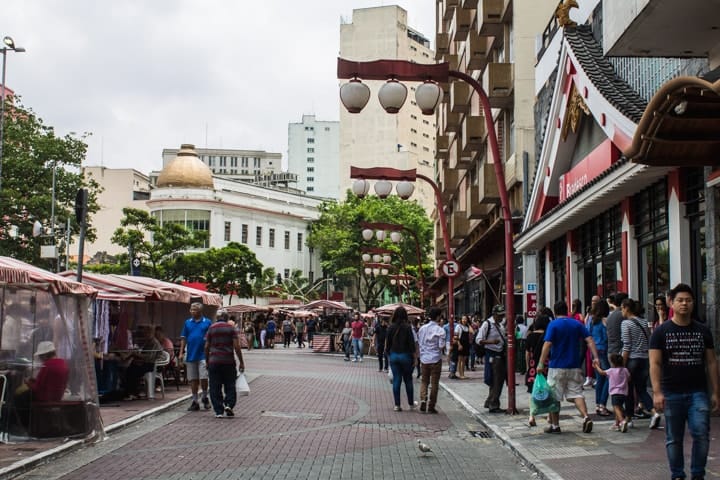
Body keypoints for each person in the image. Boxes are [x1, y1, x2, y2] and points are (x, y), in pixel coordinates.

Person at [650, 283, 719, 480]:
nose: (684, 304)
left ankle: (698, 474)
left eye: (688, 300)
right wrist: (657, 392)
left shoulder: (703, 331)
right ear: (671, 303)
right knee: (674, 438)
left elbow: (712, 362)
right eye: (680, 300)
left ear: (693, 303)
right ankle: (678, 474)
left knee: (701, 435)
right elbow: (654, 364)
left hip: (698, 392)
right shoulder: (660, 332)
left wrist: (715, 391)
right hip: (671, 392)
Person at [537, 300, 600, 434]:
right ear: (566, 310)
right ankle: (586, 417)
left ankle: (555, 425)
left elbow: (547, 344)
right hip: (574, 365)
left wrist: (541, 363)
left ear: (555, 311)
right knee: (577, 393)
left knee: (554, 397)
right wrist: (596, 357)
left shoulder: (553, 325)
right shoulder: (576, 324)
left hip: (556, 366)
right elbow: (589, 340)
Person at [620, 297, 661, 428]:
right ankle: (654, 412)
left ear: (626, 308)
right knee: (641, 389)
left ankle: (628, 418)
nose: (621, 311)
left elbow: (626, 346)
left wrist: (622, 364)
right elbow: (649, 339)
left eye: (622, 308)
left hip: (632, 360)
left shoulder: (625, 324)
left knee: (628, 390)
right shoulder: (643, 322)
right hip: (645, 359)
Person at [14, 341, 70, 428]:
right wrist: (33, 380)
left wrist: (27, 382)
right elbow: (49, 382)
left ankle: (25, 425)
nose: (40, 358)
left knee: (19, 397)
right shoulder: (63, 363)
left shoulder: (47, 365)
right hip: (57, 396)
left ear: (45, 355)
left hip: (44, 397)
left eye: (40, 356)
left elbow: (37, 388)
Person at [204, 310, 245, 418]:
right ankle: (229, 405)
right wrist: (241, 362)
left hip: (214, 361)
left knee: (214, 386)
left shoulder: (211, 328)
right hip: (228, 361)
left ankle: (218, 411)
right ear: (227, 318)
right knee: (230, 385)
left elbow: (206, 346)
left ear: (217, 318)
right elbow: (237, 347)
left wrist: (207, 360)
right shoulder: (231, 329)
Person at [179, 302, 212, 411]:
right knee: (193, 379)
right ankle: (194, 400)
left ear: (200, 311)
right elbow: (184, 338)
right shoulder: (187, 322)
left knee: (203, 377)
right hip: (191, 353)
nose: (192, 311)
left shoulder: (207, 322)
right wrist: (181, 352)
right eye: (191, 309)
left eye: (195, 310)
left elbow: (211, 338)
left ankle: (205, 396)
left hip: (203, 354)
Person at [385, 306, 418, 411]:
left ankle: (397, 405)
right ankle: (411, 403)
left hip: (394, 355)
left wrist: (389, 355)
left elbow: (388, 344)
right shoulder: (408, 327)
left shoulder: (390, 327)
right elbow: (411, 344)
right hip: (406, 356)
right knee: (408, 379)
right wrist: (415, 358)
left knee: (397, 380)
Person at [476, 305, 507, 413]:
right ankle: (493, 404)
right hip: (492, 355)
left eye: (502, 315)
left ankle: (490, 400)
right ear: (494, 315)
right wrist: (492, 342)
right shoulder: (487, 324)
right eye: (500, 315)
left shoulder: (501, 325)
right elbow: (478, 340)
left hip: (500, 353)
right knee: (495, 379)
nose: (502, 317)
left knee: (498, 379)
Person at [123, 325, 163, 400]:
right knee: (130, 368)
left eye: (146, 333)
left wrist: (137, 354)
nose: (144, 334)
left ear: (150, 333)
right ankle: (132, 392)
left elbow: (149, 357)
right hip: (145, 363)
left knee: (132, 371)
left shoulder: (154, 342)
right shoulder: (148, 341)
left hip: (149, 365)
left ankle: (132, 393)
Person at [417, 307, 444, 414]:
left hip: (424, 359)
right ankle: (431, 406)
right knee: (434, 383)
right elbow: (441, 346)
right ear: (437, 317)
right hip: (436, 358)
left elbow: (420, 343)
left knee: (424, 381)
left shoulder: (422, 328)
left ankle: (423, 399)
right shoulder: (440, 330)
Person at [594, 353, 631, 432]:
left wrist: (596, 366)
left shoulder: (611, 371)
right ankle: (617, 424)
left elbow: (601, 372)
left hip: (615, 393)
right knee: (620, 408)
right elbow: (629, 378)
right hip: (624, 392)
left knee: (616, 408)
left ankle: (622, 421)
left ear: (612, 363)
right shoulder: (625, 370)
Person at [525, 314, 550, 427]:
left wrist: (527, 366)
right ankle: (550, 415)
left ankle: (531, 416)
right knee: (549, 389)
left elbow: (527, 353)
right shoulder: (548, 335)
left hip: (533, 367)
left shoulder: (530, 336)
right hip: (545, 366)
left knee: (532, 391)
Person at [588, 300, 611, 417]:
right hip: (603, 350)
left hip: (594, 351)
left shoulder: (591, 321)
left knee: (599, 378)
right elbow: (607, 337)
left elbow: (588, 335)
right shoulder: (604, 321)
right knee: (608, 376)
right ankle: (602, 404)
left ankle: (598, 405)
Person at [454, 315, 471, 379]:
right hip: (460, 344)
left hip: (466, 344)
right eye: (463, 319)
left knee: (464, 360)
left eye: (465, 319)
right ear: (461, 320)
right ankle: (460, 374)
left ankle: (463, 374)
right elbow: (456, 336)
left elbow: (472, 332)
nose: (464, 320)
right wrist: (459, 345)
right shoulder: (458, 326)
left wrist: (469, 324)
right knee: (460, 360)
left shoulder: (467, 327)